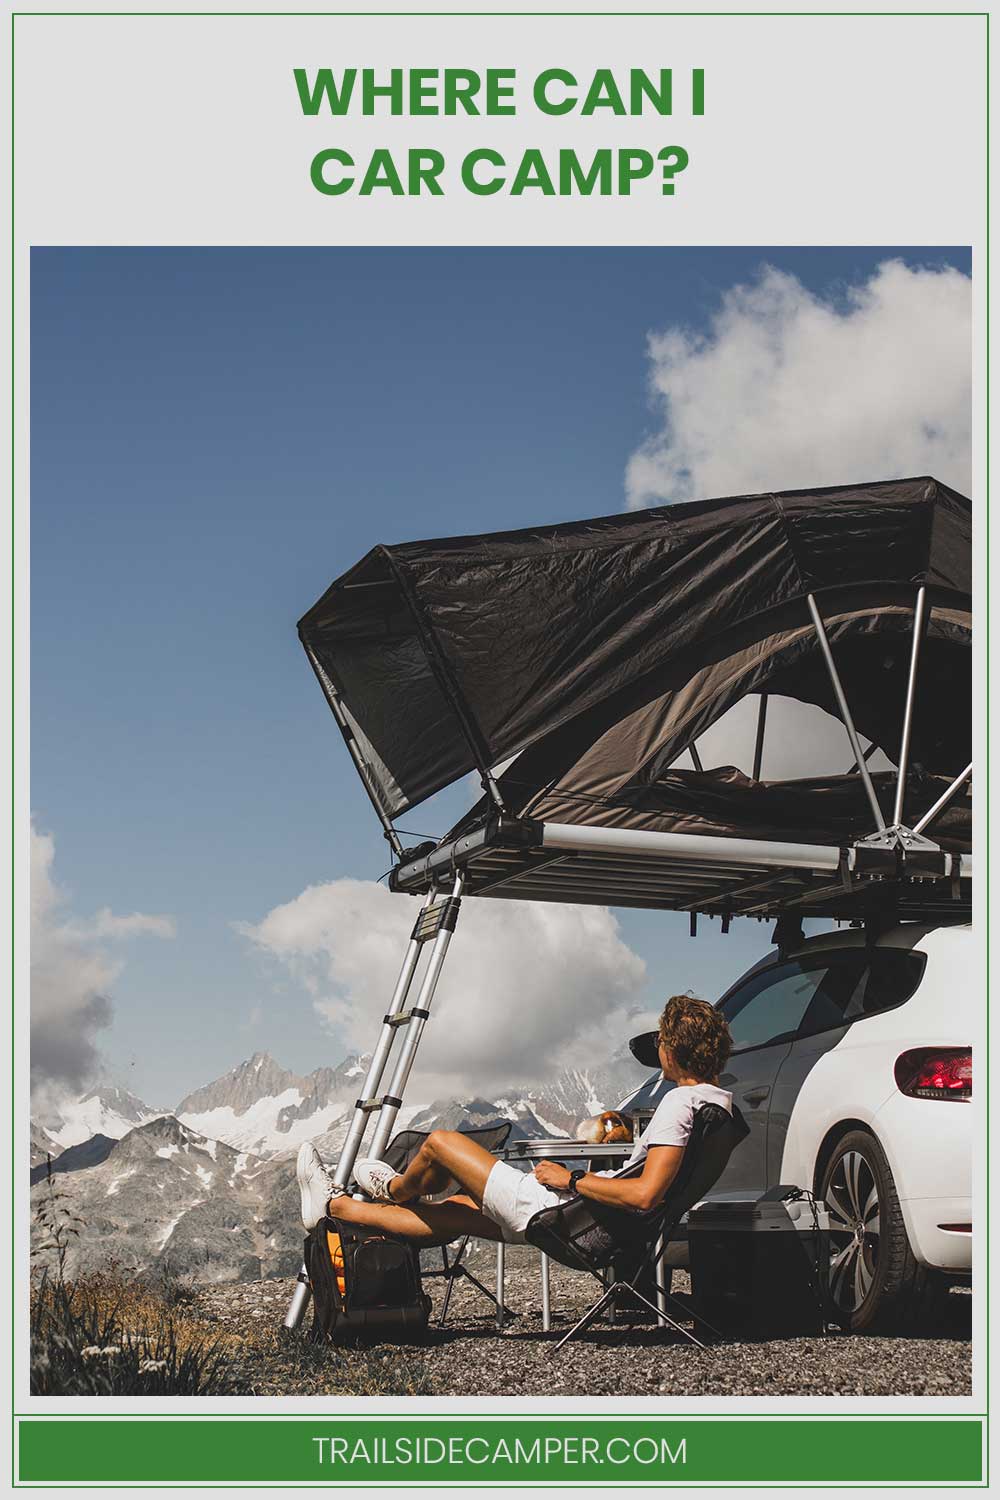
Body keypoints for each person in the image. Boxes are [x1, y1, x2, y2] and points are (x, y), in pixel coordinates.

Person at [296, 993, 733, 1247]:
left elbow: (644, 1195)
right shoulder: (719, 1105)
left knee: (440, 1144)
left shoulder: (681, 1103)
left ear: (672, 1051)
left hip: (562, 1213)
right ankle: (334, 1207)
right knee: (457, 1213)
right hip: (587, 1223)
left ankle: (391, 1188)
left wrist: (571, 1180)